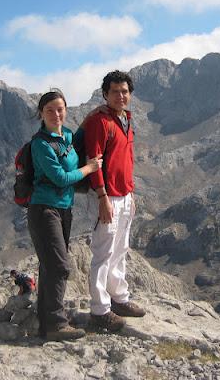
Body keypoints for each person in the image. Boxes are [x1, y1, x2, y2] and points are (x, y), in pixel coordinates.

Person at [28, 90, 103, 342]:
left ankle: (46, 324)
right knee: (60, 266)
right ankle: (56, 324)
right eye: (50, 110)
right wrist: (89, 168)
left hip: (64, 209)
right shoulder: (40, 144)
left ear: (66, 110)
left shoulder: (68, 135)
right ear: (41, 113)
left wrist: (94, 114)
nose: (56, 114)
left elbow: (79, 138)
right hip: (43, 210)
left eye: (60, 109)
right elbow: (60, 177)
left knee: (50, 267)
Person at [84, 70, 146, 332]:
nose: (121, 96)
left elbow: (125, 161)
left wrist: (131, 193)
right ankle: (100, 311)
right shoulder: (100, 122)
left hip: (124, 196)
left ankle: (119, 298)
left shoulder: (126, 120)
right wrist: (102, 197)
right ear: (105, 94)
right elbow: (93, 160)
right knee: (103, 252)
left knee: (120, 248)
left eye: (125, 91)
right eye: (115, 92)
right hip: (106, 197)